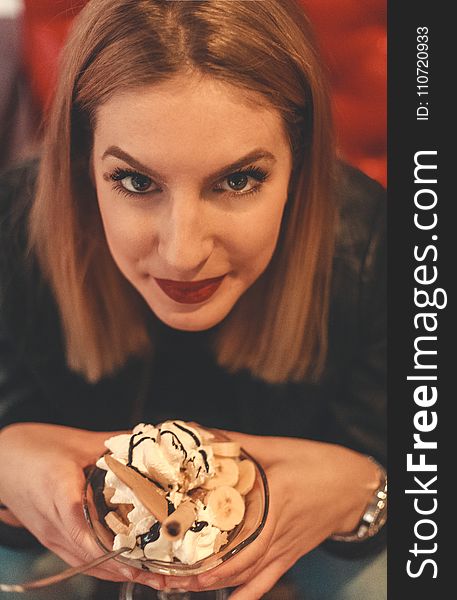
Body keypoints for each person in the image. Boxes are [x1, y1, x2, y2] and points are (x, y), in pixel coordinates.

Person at [0, 0, 387, 598]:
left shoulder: (382, 249)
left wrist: (366, 493)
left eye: (238, 180)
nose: (183, 253)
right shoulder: (12, 232)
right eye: (135, 181)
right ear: (82, 162)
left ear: (301, 163)